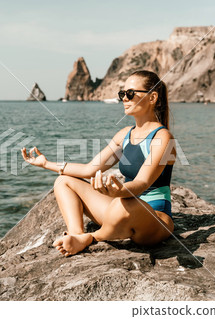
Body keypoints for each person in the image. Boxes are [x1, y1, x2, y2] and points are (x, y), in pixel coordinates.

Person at [21, 70, 176, 257]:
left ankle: (91, 238)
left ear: (152, 98)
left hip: (153, 220)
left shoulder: (163, 138)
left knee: (123, 204)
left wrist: (118, 192)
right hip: (120, 211)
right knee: (63, 182)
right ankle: (76, 234)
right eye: (122, 94)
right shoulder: (124, 135)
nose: (124, 99)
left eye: (130, 93)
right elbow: (90, 169)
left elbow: (142, 183)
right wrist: (46, 163)